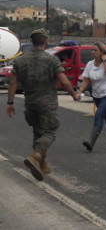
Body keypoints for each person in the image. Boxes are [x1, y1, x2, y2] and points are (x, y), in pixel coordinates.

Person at [6, 29, 80, 181]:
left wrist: (10, 102)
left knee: (38, 131)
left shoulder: (20, 61)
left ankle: (42, 163)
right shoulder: (51, 60)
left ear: (32, 42)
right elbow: (64, 81)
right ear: (45, 41)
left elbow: (13, 82)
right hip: (47, 102)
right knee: (50, 131)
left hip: (30, 102)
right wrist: (74, 94)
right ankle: (37, 156)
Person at [77, 42, 106, 152]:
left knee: (99, 114)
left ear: (102, 52)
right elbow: (86, 80)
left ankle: (91, 143)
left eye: (95, 50)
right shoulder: (89, 64)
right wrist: (79, 92)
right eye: (92, 50)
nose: (92, 52)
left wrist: (105, 59)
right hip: (98, 95)